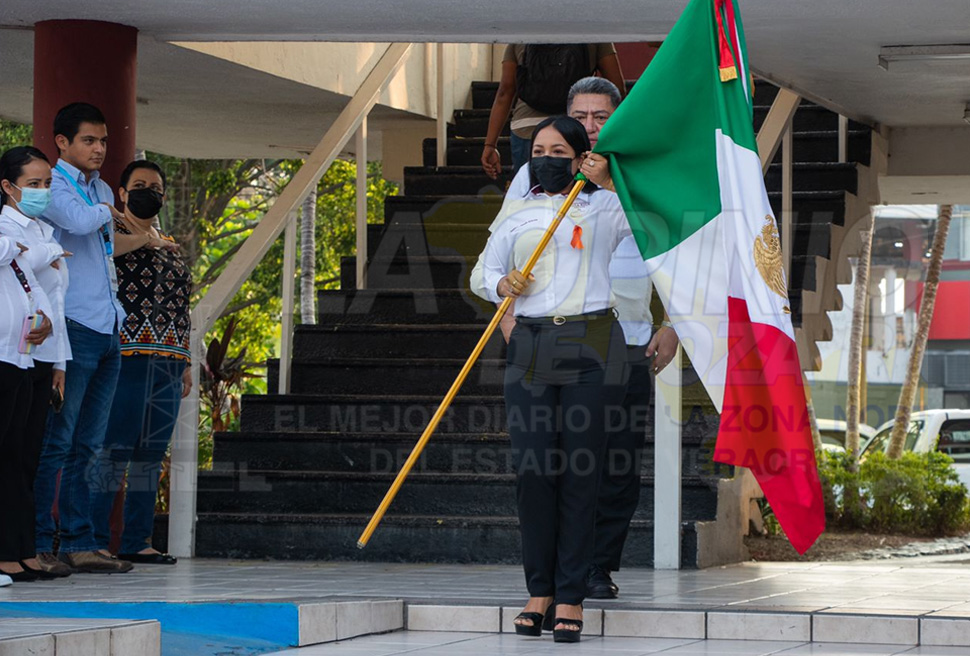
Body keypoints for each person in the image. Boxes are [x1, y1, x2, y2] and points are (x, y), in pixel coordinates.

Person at [495, 77, 680, 599]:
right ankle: (555, 575)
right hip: (548, 337)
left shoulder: (640, 174)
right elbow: (505, 247)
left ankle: (597, 567)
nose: (593, 126)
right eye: (582, 116)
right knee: (550, 462)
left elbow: (676, 248)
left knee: (615, 461)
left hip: (628, 335)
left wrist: (673, 324)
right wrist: (509, 319)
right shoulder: (535, 173)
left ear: (619, 119)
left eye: (602, 116)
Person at [472, 115, 630, 643]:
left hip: (593, 342)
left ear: (581, 156)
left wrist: (608, 183)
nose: (546, 159)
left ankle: (570, 597)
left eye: (559, 151)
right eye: (538, 150)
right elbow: (480, 272)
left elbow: (655, 226)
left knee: (581, 471)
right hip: (532, 344)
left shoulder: (606, 206)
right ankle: (538, 590)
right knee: (533, 470)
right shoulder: (518, 209)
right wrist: (501, 284)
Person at [33, 102, 133, 574]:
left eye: (104, 141)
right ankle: (37, 542)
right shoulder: (52, 184)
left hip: (107, 324)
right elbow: (77, 221)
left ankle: (79, 541)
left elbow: (104, 242)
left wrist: (107, 207)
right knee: (57, 441)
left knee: (89, 445)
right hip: (72, 325)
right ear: (62, 142)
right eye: (89, 140)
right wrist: (109, 209)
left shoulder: (98, 189)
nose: (99, 149)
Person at [91, 159, 189, 565]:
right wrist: (145, 240)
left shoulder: (170, 242)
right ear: (122, 193)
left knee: (150, 454)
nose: (149, 192)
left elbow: (182, 305)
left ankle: (137, 539)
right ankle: (93, 539)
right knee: (113, 450)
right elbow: (106, 255)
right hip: (127, 356)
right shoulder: (108, 231)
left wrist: (186, 362)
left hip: (170, 361)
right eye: (140, 185)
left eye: (156, 187)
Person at [0, 146, 74, 580]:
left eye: (47, 183)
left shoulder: (44, 229)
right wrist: (38, 251)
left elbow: (48, 297)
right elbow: (16, 262)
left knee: (27, 456)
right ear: (8, 187)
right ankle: (9, 550)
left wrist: (59, 354)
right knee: (9, 455)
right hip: (12, 351)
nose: (42, 191)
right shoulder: (6, 227)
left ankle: (24, 549)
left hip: (39, 352)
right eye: (33, 184)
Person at [0, 221, 54, 582]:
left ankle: (13, 549)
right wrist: (40, 248)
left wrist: (45, 320)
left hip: (19, 357)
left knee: (13, 458)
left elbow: (32, 285)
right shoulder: (9, 237)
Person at [481, 44, 626, 179]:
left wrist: (490, 145)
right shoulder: (593, 35)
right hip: (577, 128)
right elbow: (617, 90)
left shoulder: (521, 37)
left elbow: (505, 91)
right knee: (585, 193)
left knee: (530, 191)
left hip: (527, 128)